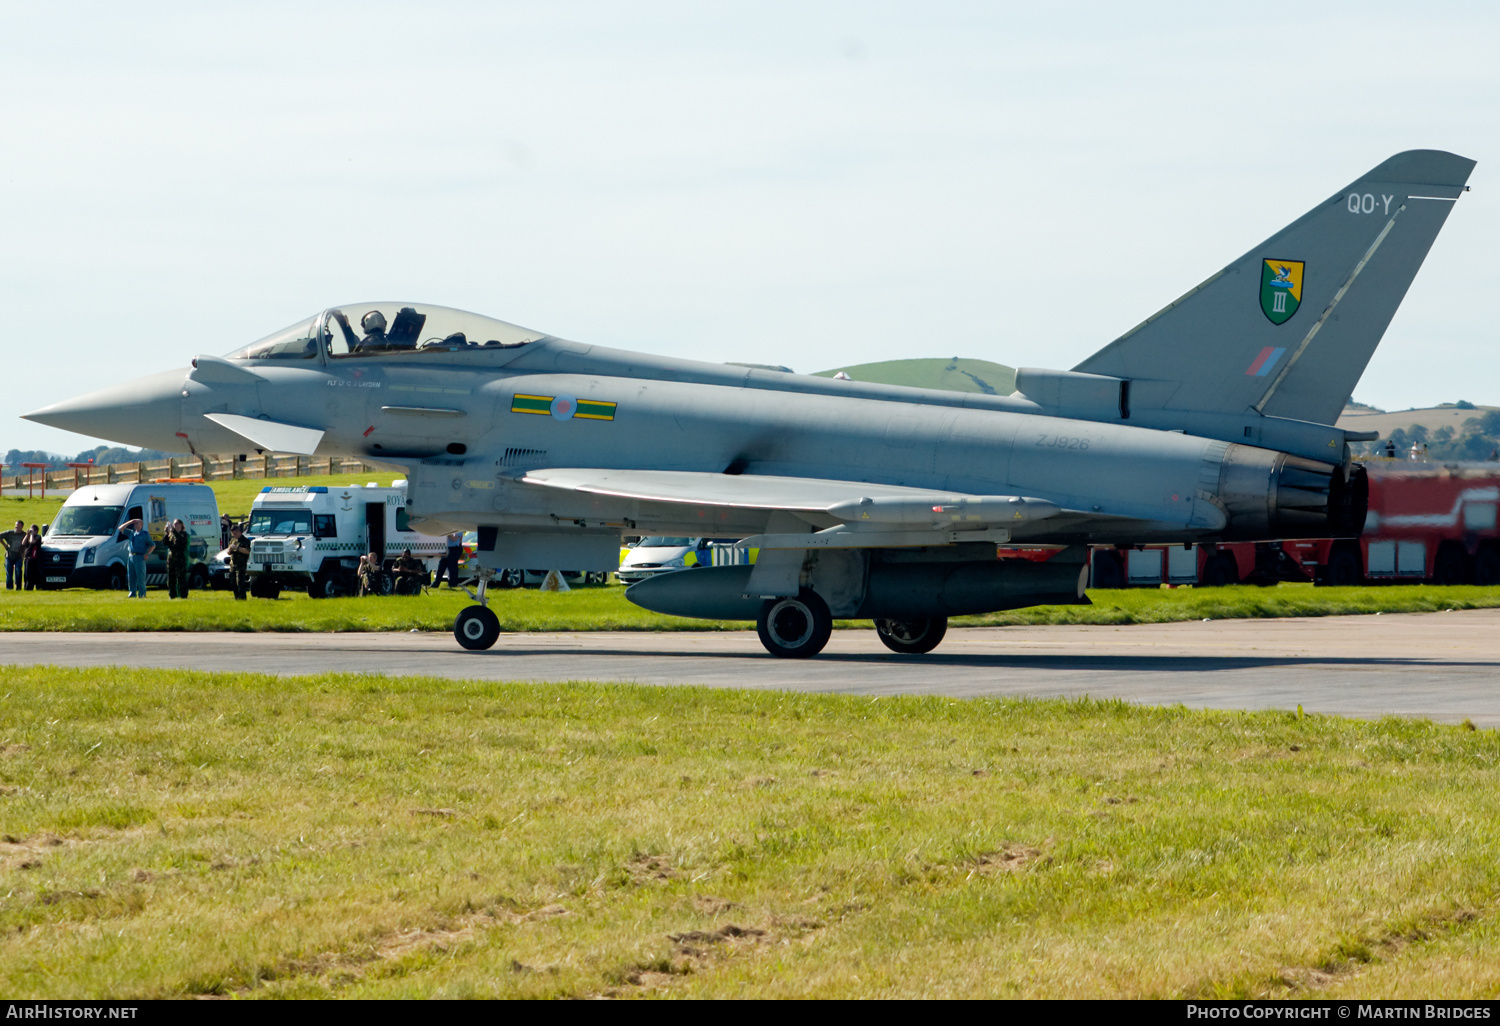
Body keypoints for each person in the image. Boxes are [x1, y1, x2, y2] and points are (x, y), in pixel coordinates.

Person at [118, 518, 155, 597]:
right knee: (131, 576)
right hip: (131, 556)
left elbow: (152, 545)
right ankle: (132, 592)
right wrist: (130, 522)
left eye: (137, 523)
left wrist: (147, 553)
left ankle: (142, 594)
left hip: (140, 556)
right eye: (135, 524)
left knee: (140, 576)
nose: (135, 525)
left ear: (141, 525)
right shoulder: (131, 533)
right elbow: (120, 528)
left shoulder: (144, 534)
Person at [163, 518, 191, 599]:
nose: (174, 526)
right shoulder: (172, 535)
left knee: (181, 578)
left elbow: (181, 542)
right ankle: (172, 595)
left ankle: (183, 595)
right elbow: (165, 542)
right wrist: (167, 532)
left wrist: (173, 531)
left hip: (181, 560)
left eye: (176, 524)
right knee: (171, 578)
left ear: (181, 525)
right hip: (171, 560)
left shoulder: (184, 534)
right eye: (174, 524)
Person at [225, 524, 251, 600]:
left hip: (241, 564)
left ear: (239, 532)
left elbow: (247, 551)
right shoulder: (233, 541)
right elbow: (228, 552)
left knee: (240, 581)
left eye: (235, 533)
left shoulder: (245, 541)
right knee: (232, 582)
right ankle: (236, 597)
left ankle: (242, 597)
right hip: (233, 564)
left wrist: (237, 548)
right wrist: (230, 549)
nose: (234, 535)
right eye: (233, 534)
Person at [1, 519, 24, 590]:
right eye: (16, 525)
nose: (16, 527)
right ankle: (9, 588)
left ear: (22, 526)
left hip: (19, 556)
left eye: (18, 525)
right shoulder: (9, 533)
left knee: (18, 571)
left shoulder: (24, 534)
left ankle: (18, 587)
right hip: (9, 556)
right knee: (9, 572)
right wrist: (4, 545)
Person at [21, 524, 43, 591]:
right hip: (28, 557)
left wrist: (32, 535)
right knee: (27, 573)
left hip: (35, 558)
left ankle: (36, 586)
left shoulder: (38, 537)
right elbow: (23, 543)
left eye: (32, 530)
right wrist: (27, 535)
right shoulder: (29, 536)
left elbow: (32, 541)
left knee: (34, 573)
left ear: (36, 531)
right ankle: (27, 587)